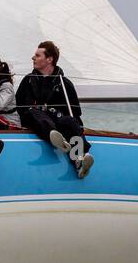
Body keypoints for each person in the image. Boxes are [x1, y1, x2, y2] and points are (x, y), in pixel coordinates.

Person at [16, 40, 94, 178]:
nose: (33, 58)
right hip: (34, 119)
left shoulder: (64, 83)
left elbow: (75, 112)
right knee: (34, 113)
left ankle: (79, 160)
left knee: (70, 121)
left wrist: (78, 129)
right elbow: (20, 106)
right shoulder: (28, 80)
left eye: (37, 55)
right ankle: (57, 138)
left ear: (49, 59)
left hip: (57, 119)